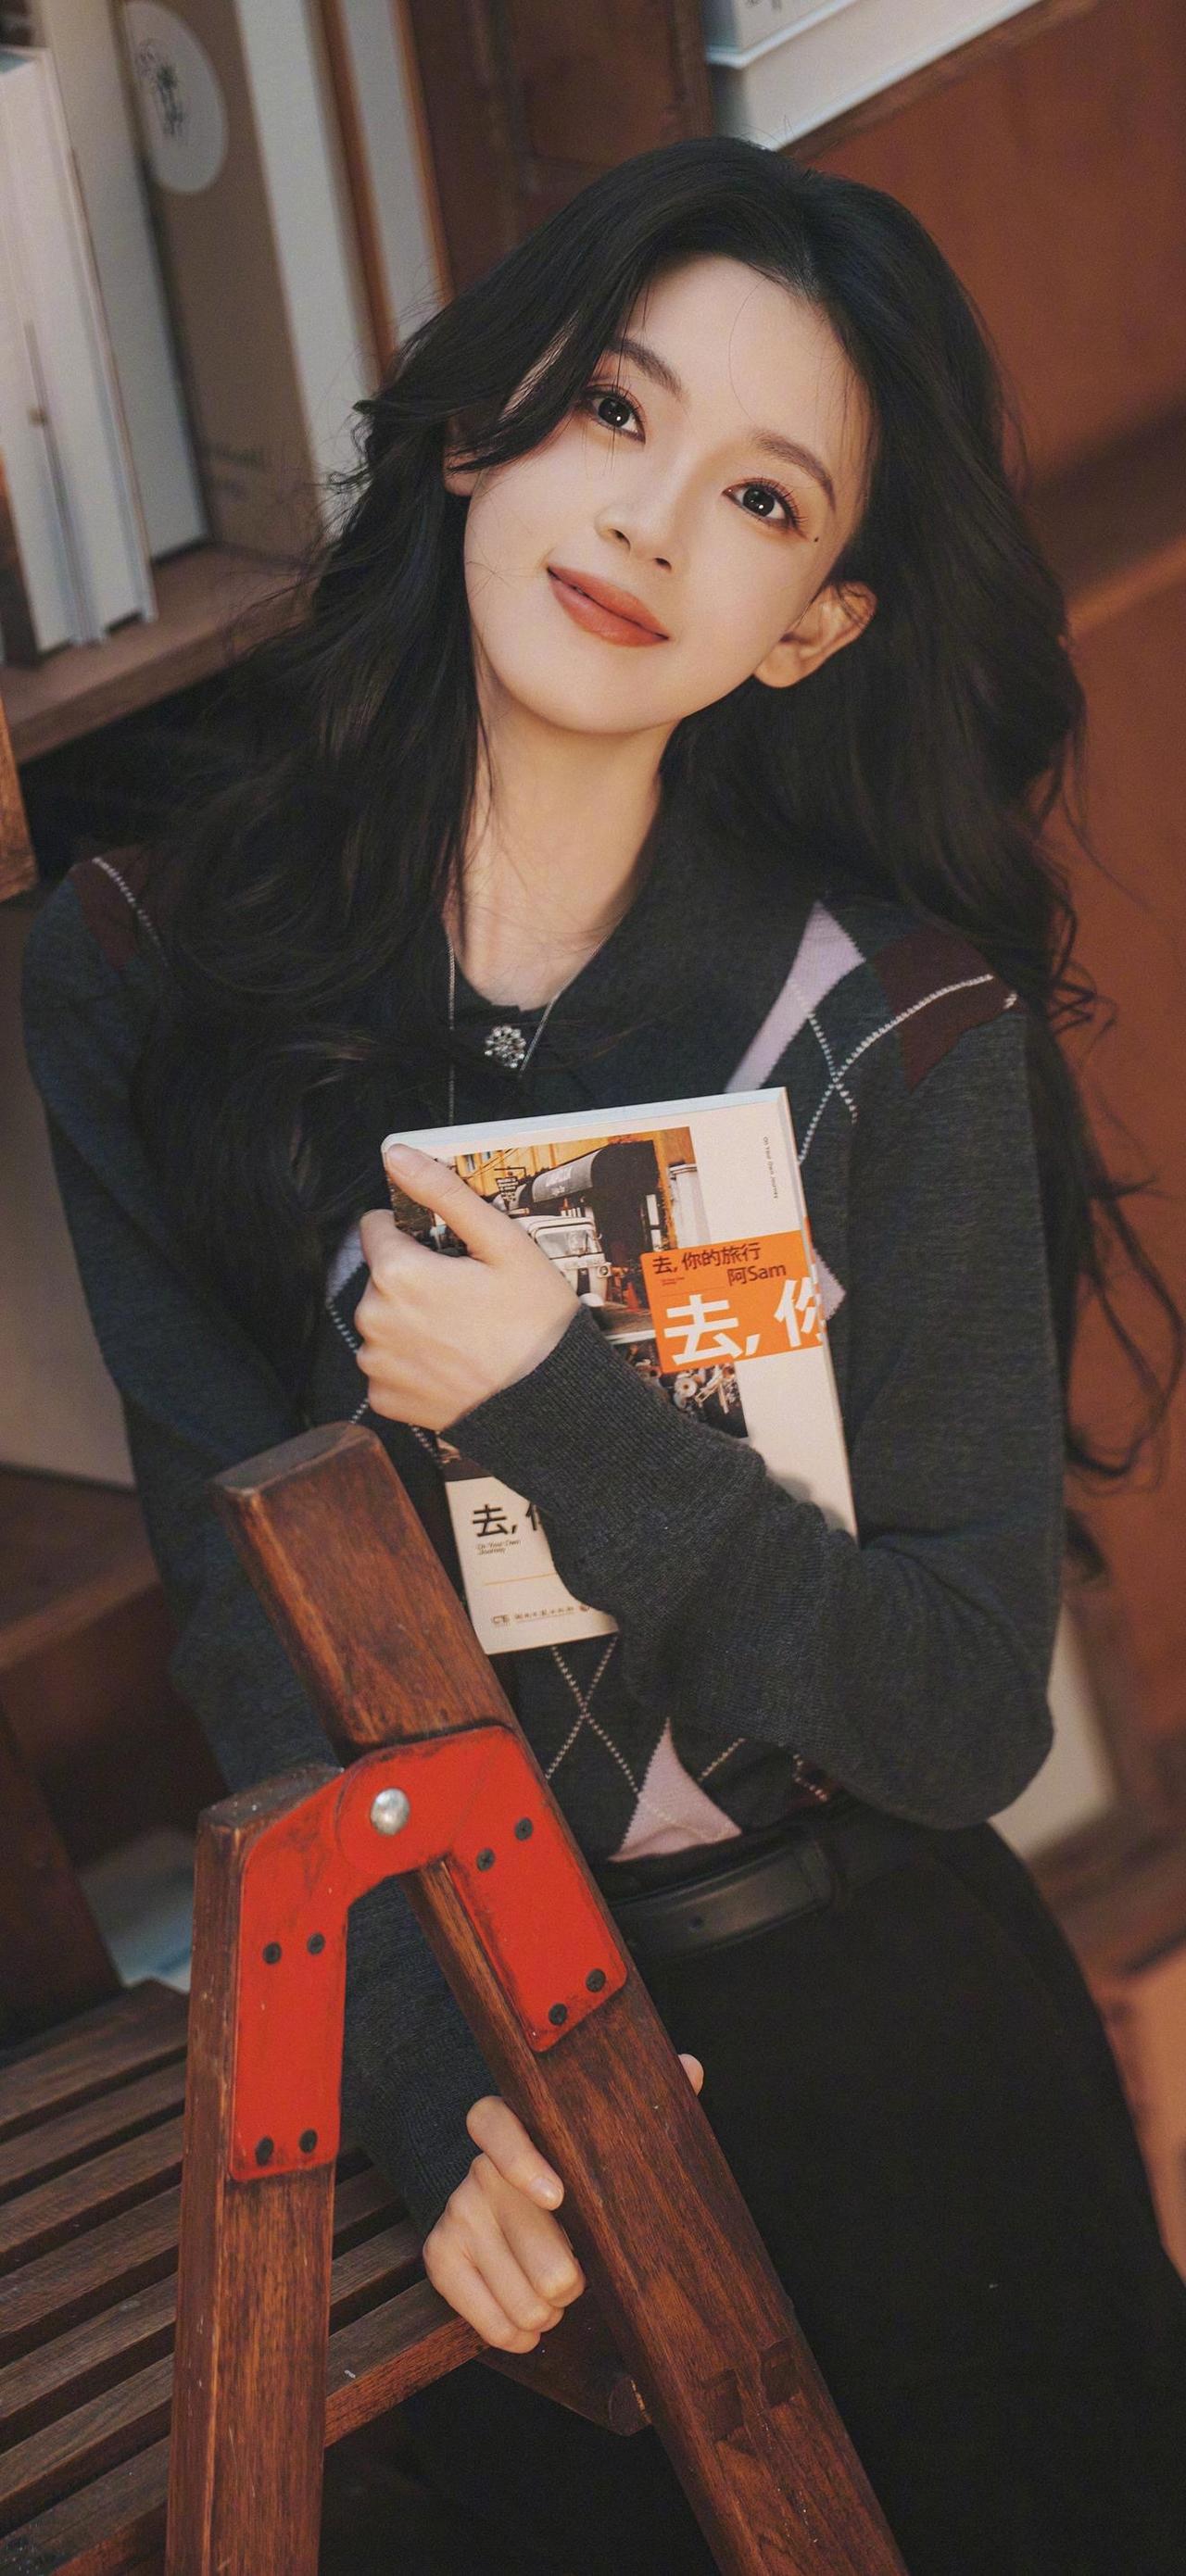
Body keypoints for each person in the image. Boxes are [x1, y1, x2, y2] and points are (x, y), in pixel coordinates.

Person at [21, 137, 1186, 2574]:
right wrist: (438, 2102)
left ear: (813, 624)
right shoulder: (143, 964)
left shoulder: (896, 1028)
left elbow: (958, 1719)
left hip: (885, 2045)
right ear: (483, 428)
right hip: (482, 2076)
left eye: (757, 497)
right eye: (613, 412)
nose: (647, 520)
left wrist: (554, 1400)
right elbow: (255, 1634)